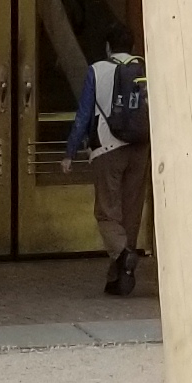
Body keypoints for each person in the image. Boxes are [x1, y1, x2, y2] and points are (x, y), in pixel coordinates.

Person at [68, 34, 150, 296]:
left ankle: (123, 254)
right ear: (134, 47)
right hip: (140, 147)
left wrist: (70, 151)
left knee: (106, 211)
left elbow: (84, 114)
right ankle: (119, 279)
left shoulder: (98, 69)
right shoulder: (144, 68)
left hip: (107, 148)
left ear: (107, 47)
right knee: (131, 213)